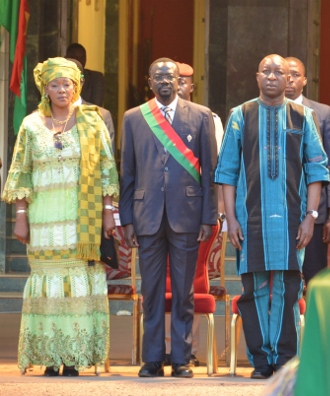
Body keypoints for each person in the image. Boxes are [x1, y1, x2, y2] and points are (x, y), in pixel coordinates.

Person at [215, 54, 329, 379]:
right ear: (256, 76)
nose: (273, 76)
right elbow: (226, 171)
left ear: (289, 79)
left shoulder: (303, 116)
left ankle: (285, 359)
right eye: (266, 70)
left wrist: (311, 216)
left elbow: (317, 170)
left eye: (279, 72)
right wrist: (230, 219)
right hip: (249, 221)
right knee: (253, 290)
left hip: (294, 221)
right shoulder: (241, 115)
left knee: (287, 288)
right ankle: (261, 360)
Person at [3, 57, 118, 376]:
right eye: (54, 84)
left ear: (76, 86)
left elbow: (108, 169)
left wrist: (109, 212)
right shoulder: (30, 125)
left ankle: (74, 358)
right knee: (48, 285)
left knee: (78, 287)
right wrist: (21, 216)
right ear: (45, 88)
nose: (61, 90)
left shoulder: (93, 122)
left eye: (67, 83)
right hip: (42, 221)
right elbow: (21, 173)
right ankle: (51, 358)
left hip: (83, 219)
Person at [120, 58, 218, 379]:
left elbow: (210, 174)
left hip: (187, 216)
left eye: (170, 77)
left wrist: (208, 217)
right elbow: (128, 173)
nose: (165, 81)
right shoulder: (134, 118)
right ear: (149, 82)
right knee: (150, 290)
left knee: (183, 291)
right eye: (158, 77)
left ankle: (181, 358)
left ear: (180, 81)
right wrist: (127, 220)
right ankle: (151, 359)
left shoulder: (201, 116)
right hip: (146, 215)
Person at [285, 56, 330, 284]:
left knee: (315, 278)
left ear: (305, 80)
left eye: (295, 74)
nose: (289, 79)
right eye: (285, 73)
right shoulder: (262, 111)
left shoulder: (323, 113)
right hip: (280, 212)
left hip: (315, 213)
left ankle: (313, 321)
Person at [64, 58, 116, 157]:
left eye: (68, 82)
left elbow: (107, 163)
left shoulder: (101, 116)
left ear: (81, 82)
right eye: (56, 83)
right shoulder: (40, 118)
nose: (62, 89)